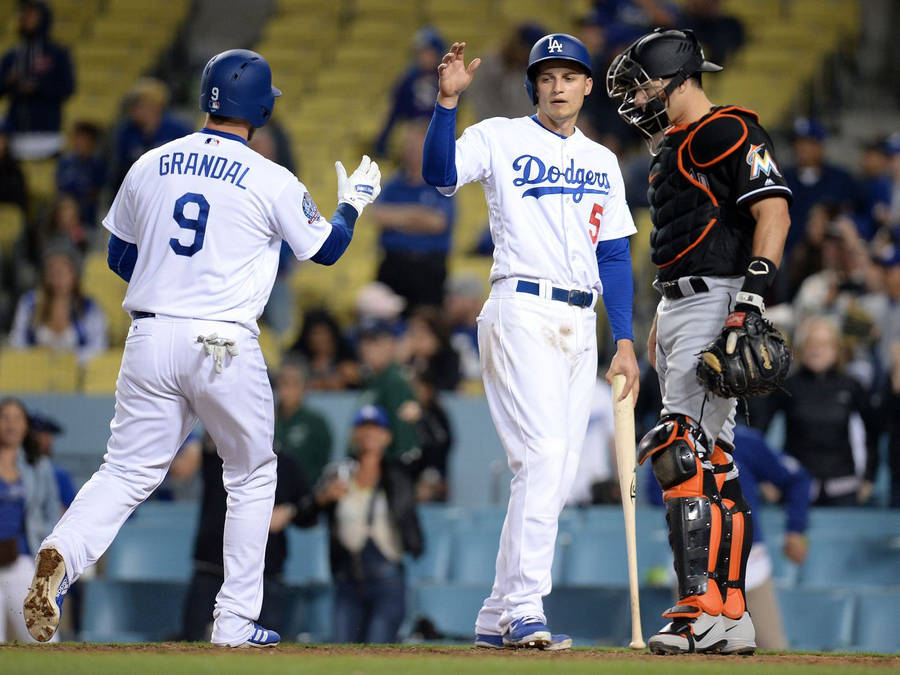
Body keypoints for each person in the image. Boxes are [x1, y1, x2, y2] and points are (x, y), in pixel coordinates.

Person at [22, 48, 382, 647]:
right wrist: (352, 204)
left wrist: (172, 277)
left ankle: (62, 549)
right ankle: (235, 621)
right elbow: (325, 251)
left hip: (151, 334)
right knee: (251, 473)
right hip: (222, 340)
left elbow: (117, 256)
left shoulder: (150, 162)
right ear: (261, 107)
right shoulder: (270, 175)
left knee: (126, 469)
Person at [423, 35, 639, 650]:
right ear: (534, 85)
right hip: (520, 307)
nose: (558, 85)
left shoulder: (601, 161)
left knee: (553, 470)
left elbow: (615, 253)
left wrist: (623, 340)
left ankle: (496, 613)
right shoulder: (500, 135)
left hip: (581, 322)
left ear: (588, 86)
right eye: (547, 76)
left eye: (570, 75)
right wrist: (446, 102)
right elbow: (439, 174)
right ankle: (524, 606)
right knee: (544, 460)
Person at [607, 28, 792, 654]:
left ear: (675, 78)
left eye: (642, 84)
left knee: (678, 446)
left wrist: (749, 301)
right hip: (681, 300)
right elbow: (688, 234)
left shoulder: (729, 130)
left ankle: (701, 608)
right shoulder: (674, 145)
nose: (637, 97)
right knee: (715, 458)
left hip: (718, 297)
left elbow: (774, 212)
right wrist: (664, 309)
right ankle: (732, 613)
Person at [179, 432, 319, 641]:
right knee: (194, 640)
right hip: (210, 570)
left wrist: (291, 511)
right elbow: (211, 428)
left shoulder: (286, 463)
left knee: (265, 650)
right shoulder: (221, 454)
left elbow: (310, 514)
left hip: (265, 577)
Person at [315, 405, 423, 643]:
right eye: (363, 428)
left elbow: (426, 454)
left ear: (387, 436)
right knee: (341, 650)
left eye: (376, 429)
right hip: (347, 576)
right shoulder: (340, 473)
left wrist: (417, 421)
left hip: (387, 575)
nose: (369, 435)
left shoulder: (398, 473)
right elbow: (307, 513)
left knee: (379, 649)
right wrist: (323, 497)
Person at [760, 316, 878, 506]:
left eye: (824, 343)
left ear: (837, 349)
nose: (816, 349)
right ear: (800, 348)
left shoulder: (852, 386)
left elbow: (873, 432)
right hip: (795, 487)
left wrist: (869, 478)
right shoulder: (787, 386)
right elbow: (759, 431)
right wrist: (765, 479)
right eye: (810, 343)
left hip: (844, 489)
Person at [731, 423, 810, 651]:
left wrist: (795, 529)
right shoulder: (679, 440)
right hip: (698, 570)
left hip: (749, 566)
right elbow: (657, 493)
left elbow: (796, 478)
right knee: (695, 657)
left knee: (772, 652)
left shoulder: (743, 440)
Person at [368, 122, 455, 310]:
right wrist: (417, 216)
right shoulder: (392, 184)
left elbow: (438, 222)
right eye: (409, 147)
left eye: (418, 147)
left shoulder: (442, 183)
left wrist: (398, 218)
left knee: (427, 321)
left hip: (430, 267)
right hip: (393, 264)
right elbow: (378, 215)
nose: (412, 152)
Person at [0, 398, 61, 643]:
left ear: (26, 427)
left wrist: (44, 548)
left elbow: (51, 512)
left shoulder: (38, 466)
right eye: (4, 417)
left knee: (41, 637)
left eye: (17, 419)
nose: (10, 425)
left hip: (22, 557)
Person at [0, 0, 75, 160]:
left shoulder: (57, 53)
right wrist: (9, 81)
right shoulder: (12, 55)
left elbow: (68, 88)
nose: (25, 18)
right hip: (16, 137)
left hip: (48, 137)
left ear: (43, 18)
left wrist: (38, 87)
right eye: (23, 13)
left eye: (31, 14)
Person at [8, 245, 108, 364]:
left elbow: (99, 348)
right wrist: (38, 357)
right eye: (53, 272)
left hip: (77, 374)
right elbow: (17, 342)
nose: (58, 278)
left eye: (62, 272)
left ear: (74, 276)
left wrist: (67, 360)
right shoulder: (29, 303)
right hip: (36, 372)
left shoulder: (89, 308)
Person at [108, 78, 192, 191]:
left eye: (138, 105)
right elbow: (121, 172)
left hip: (171, 190)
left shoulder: (178, 130)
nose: (133, 110)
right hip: (138, 190)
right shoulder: (126, 131)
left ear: (154, 106)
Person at [373, 27, 445, 158]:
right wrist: (382, 141)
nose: (425, 57)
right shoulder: (408, 80)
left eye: (429, 52)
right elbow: (395, 113)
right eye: (421, 53)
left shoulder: (446, 79)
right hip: (413, 133)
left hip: (439, 133)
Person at [357, 318, 420, 461]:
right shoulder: (373, 380)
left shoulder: (394, 381)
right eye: (363, 341)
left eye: (374, 341)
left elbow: (404, 436)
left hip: (389, 468)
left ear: (390, 344)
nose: (365, 348)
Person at [274, 357, 334, 486]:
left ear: (304, 387)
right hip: (268, 491)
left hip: (304, 491)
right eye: (283, 382)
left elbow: (322, 464)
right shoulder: (265, 420)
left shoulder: (315, 423)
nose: (287, 389)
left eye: (294, 383)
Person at [288, 308, 359, 390]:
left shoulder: (347, 360)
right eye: (316, 333)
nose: (320, 339)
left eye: (324, 333)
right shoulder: (296, 360)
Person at [55, 121, 106, 227]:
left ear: (91, 142)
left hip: (88, 209)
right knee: (66, 208)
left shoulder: (97, 164)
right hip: (65, 206)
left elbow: (97, 191)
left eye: (84, 139)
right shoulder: (65, 162)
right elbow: (60, 186)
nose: (80, 142)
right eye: (78, 138)